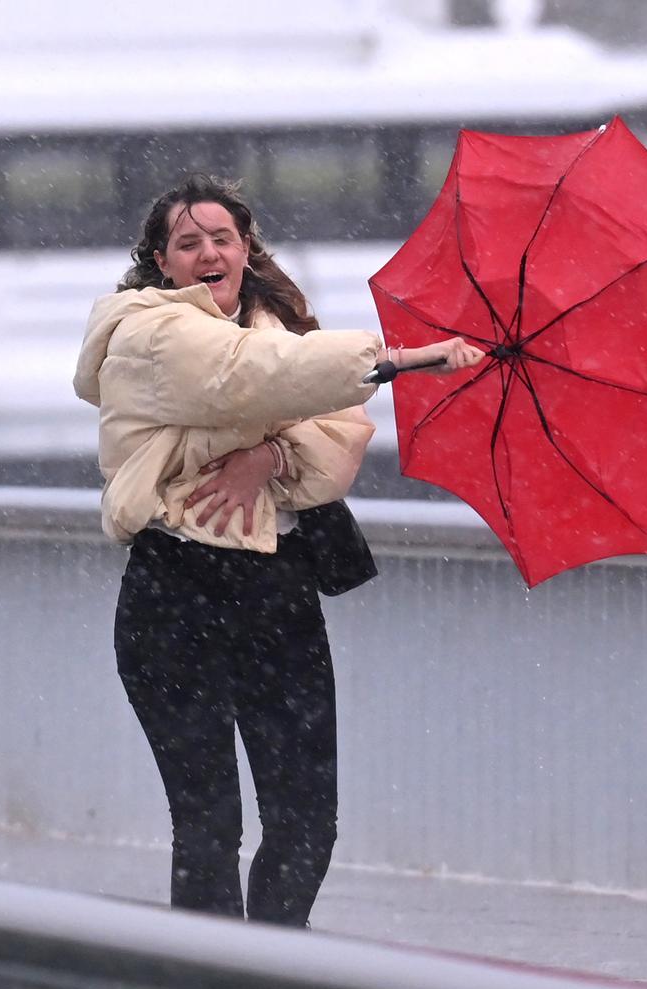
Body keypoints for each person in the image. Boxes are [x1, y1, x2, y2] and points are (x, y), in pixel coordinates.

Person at [73, 174, 485, 926]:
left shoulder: (285, 329)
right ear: (161, 261)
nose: (207, 252)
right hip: (175, 592)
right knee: (210, 825)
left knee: (305, 822)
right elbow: (247, 379)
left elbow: (336, 448)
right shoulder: (143, 333)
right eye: (188, 242)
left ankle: (272, 966)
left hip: (278, 593)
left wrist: (268, 459)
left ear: (245, 249)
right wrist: (406, 357)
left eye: (221, 239)